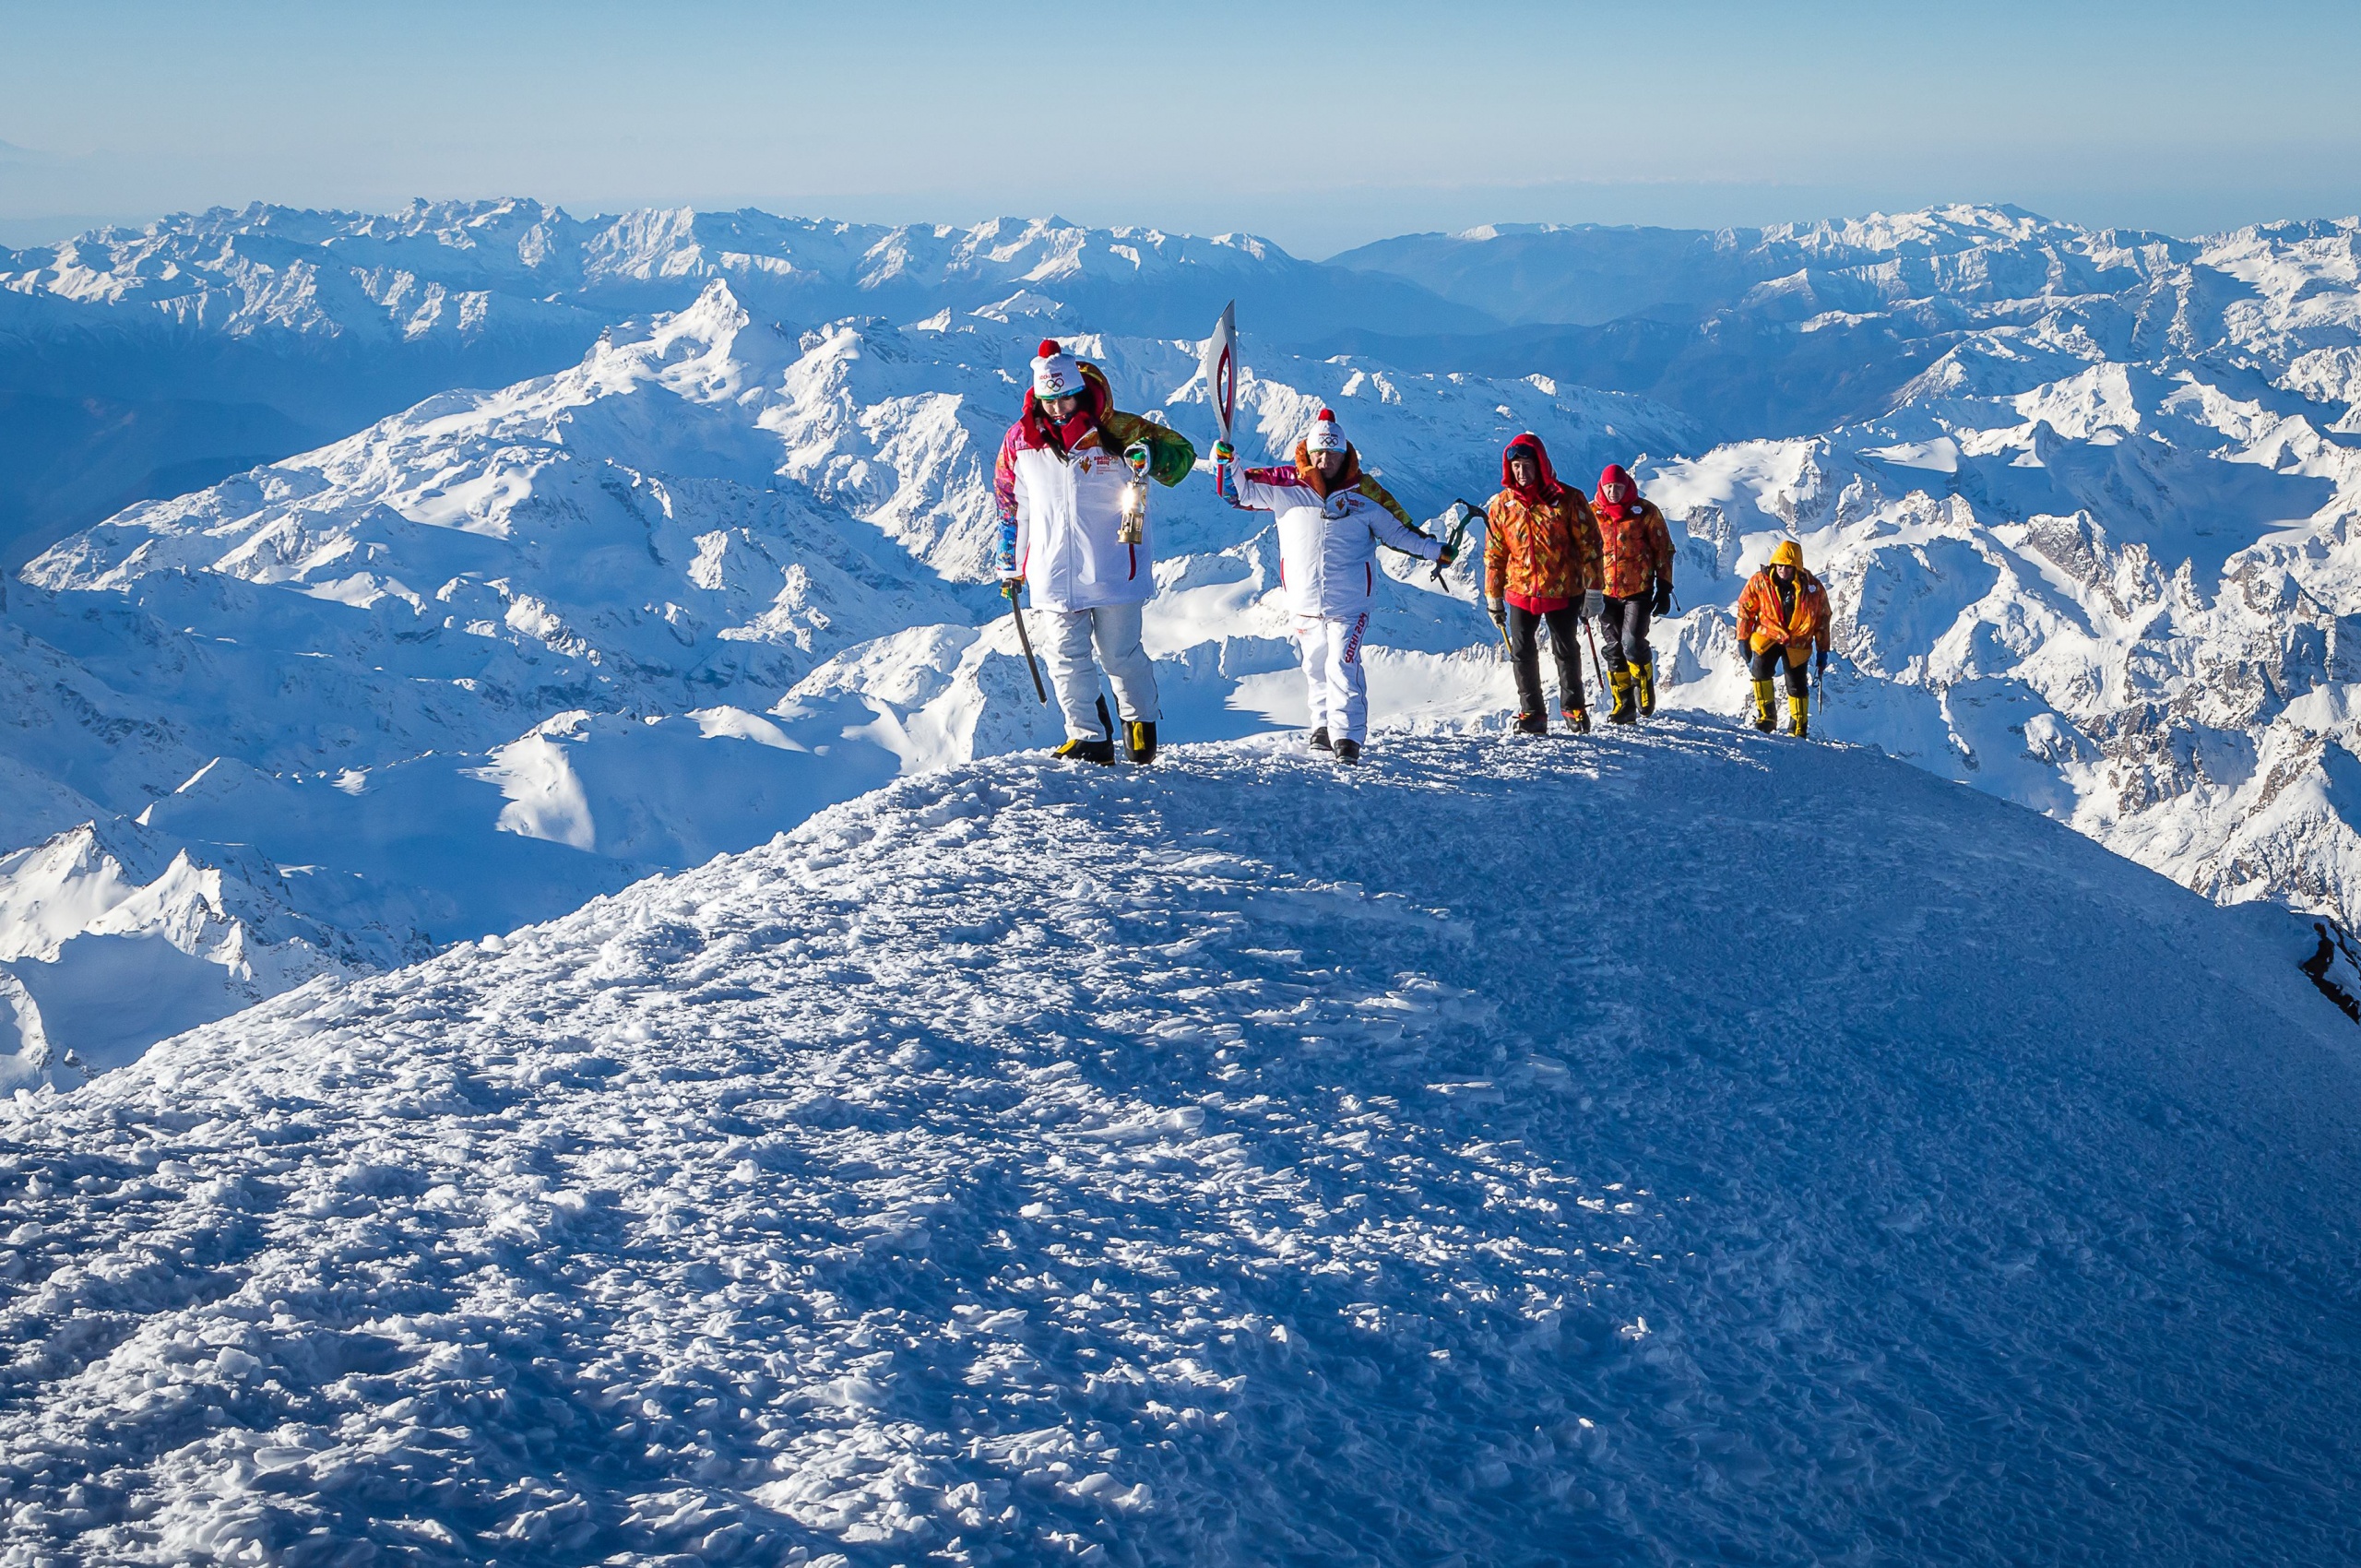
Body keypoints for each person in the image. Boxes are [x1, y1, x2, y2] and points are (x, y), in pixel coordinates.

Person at [1213, 408, 1453, 764]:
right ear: (1309, 453)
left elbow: (1399, 531)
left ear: (1345, 454)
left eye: (1333, 454)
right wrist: (1224, 462)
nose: (1325, 461)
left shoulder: (1365, 493)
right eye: (1319, 453)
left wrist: (1435, 550)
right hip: (1304, 600)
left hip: (1350, 601)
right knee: (1315, 664)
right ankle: (1322, 727)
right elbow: (1238, 492)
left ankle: (1348, 738)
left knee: (1343, 663)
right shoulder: (1285, 484)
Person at [994, 339, 1195, 763]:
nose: (1058, 409)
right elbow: (1011, 505)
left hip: (1113, 565)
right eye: (1050, 401)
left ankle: (1139, 725)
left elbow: (1180, 457)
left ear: (1079, 393)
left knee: (1121, 656)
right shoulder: (1019, 442)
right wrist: (1010, 566)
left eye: (1065, 399)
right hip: (1052, 571)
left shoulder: (1115, 430)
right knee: (1065, 658)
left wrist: (1149, 454)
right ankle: (1089, 735)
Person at [1483, 433, 1603, 735]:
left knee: (1565, 648)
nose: (1522, 473)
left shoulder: (1568, 499)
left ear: (1541, 464)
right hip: (1520, 590)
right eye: (1516, 467)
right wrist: (1493, 596)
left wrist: (1594, 590)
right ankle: (1532, 712)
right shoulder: (1502, 506)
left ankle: (1573, 707)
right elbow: (1495, 553)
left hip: (1563, 589)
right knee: (1522, 652)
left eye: (1527, 465)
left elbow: (1591, 546)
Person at [1591, 462, 1675, 725]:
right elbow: (1583, 551)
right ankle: (1623, 705)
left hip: (1638, 589)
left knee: (1631, 642)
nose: (1613, 492)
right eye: (1609, 487)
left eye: (1617, 486)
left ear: (1626, 485)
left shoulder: (1645, 511)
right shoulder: (1592, 513)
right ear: (1602, 488)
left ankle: (1643, 681)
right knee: (1614, 647)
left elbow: (1662, 548)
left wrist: (1664, 586)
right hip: (1603, 591)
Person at [1733, 539, 1832, 736]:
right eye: (1779, 566)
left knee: (1796, 685)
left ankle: (1798, 726)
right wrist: (1742, 638)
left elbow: (1822, 620)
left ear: (1795, 567)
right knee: (1760, 673)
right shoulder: (1760, 582)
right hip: (1768, 634)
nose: (1782, 571)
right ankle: (1766, 717)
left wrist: (1823, 650)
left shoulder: (1813, 588)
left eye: (1787, 567)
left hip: (1798, 641)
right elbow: (1746, 608)